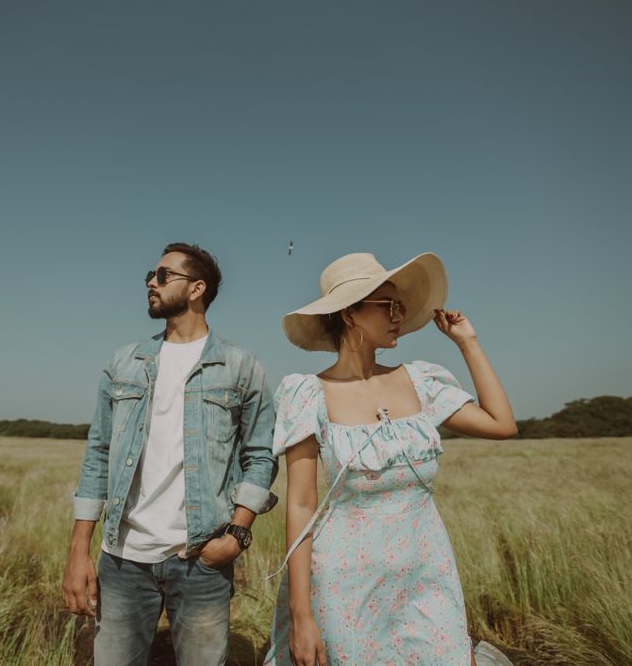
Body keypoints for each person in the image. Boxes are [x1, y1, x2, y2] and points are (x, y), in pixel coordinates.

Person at [264, 252, 516, 665]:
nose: (399, 315)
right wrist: (301, 614)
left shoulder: (421, 381)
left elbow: (502, 423)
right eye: (388, 306)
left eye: (400, 306)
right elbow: (302, 504)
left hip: (426, 575)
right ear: (349, 314)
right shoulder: (307, 394)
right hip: (344, 586)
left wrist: (467, 342)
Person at [62, 243, 279, 666]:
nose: (150, 282)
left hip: (202, 560)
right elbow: (98, 454)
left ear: (197, 288)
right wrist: (78, 551)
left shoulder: (240, 366)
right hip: (123, 562)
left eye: (163, 276)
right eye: (150, 274)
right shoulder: (123, 363)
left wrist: (235, 536)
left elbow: (262, 455)